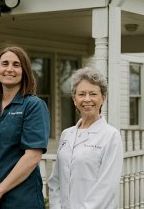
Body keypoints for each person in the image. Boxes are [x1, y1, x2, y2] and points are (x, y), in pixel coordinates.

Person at [0, 46, 50, 209]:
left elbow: (32, 156)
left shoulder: (33, 106)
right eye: (4, 64)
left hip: (21, 200)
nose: (9, 69)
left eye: (16, 65)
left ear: (24, 71)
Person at [48, 67, 123, 209]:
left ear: (103, 98)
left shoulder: (111, 136)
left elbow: (106, 187)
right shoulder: (66, 135)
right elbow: (56, 181)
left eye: (93, 94)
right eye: (81, 94)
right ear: (74, 99)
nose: (87, 99)